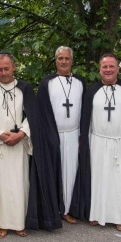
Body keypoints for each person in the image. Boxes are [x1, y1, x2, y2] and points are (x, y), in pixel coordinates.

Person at [79, 53, 121, 231]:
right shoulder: (92, 91)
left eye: (111, 66)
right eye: (104, 67)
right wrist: (84, 143)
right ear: (99, 70)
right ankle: (97, 215)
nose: (108, 70)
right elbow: (86, 120)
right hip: (97, 141)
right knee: (98, 180)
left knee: (120, 180)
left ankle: (120, 216)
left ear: (118, 69)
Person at [27, 46, 85, 227]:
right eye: (60, 58)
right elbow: (40, 112)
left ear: (72, 61)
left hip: (74, 134)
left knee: (71, 173)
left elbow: (85, 111)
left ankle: (68, 210)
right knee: (55, 172)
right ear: (56, 61)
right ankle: (54, 209)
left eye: (67, 58)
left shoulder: (80, 83)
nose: (64, 61)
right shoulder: (47, 83)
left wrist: (82, 135)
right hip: (53, 136)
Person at [0, 51, 35, 238]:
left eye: (6, 68)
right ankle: (1, 223)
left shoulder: (24, 89)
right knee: (0, 187)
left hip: (18, 145)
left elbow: (32, 116)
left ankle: (19, 222)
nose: (3, 73)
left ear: (14, 67)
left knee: (18, 185)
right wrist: (1, 135)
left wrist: (20, 134)